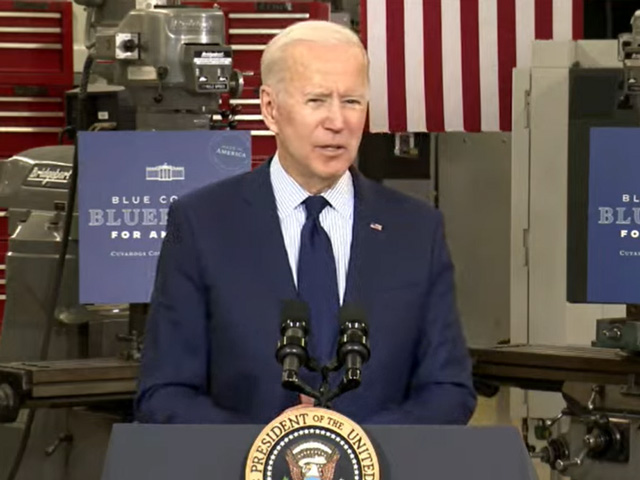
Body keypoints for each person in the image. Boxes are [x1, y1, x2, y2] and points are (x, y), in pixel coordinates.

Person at [135, 20, 477, 425]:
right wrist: (275, 449)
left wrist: (349, 448)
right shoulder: (201, 224)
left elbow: (448, 390)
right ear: (269, 108)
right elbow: (165, 393)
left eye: (352, 101)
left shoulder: (417, 230)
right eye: (316, 100)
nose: (337, 121)